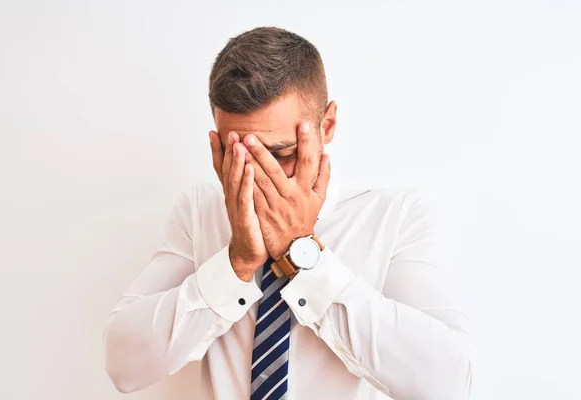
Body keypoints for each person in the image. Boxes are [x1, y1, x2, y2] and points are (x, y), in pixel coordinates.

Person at [104, 26, 474, 400]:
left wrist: (301, 250)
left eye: (281, 155)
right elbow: (123, 365)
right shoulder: (200, 211)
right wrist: (237, 263)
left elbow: (447, 383)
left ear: (326, 127)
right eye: (241, 158)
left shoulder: (396, 217)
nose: (259, 178)